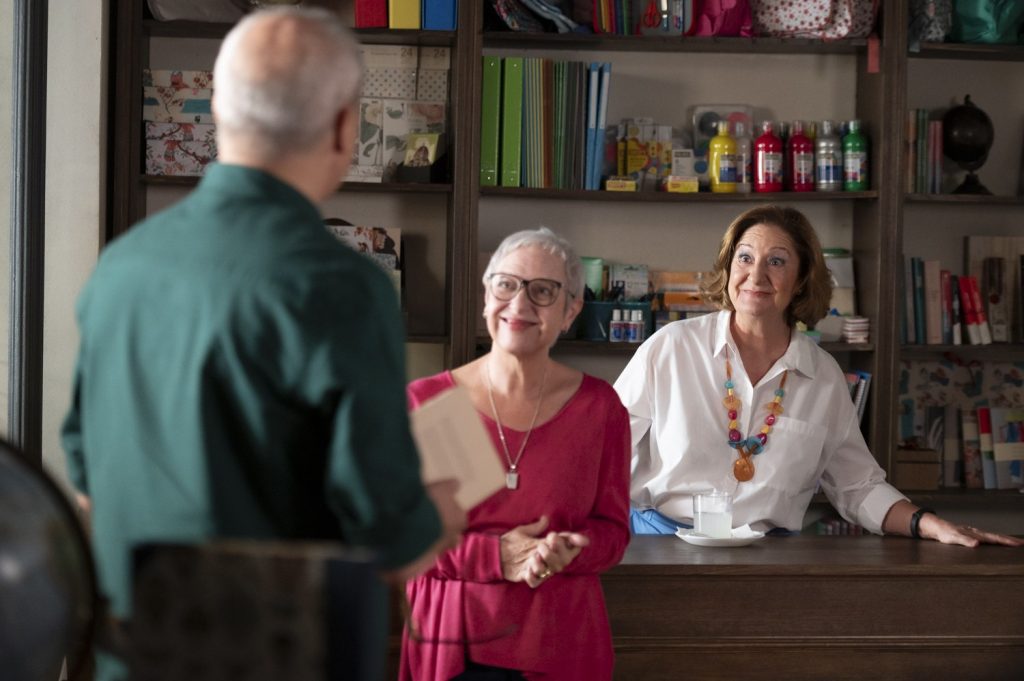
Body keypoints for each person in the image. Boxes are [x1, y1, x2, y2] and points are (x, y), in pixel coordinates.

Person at [61, 8, 465, 680]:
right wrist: (435, 518)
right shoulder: (344, 285)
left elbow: (85, 472)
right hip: (278, 653)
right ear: (344, 126)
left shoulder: (122, 265)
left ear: (218, 109)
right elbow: (386, 533)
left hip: (128, 655)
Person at [614, 205, 1023, 548]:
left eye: (776, 261)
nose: (756, 276)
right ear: (728, 266)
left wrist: (931, 524)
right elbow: (602, 447)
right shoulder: (670, 347)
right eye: (744, 257)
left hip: (768, 559)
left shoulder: (824, 377)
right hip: (662, 546)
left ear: (801, 280)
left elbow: (857, 486)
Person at [401, 228, 631, 681]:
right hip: (454, 646)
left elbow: (613, 533)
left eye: (543, 291)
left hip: (559, 642)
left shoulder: (599, 408)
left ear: (571, 311)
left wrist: (569, 551)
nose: (520, 305)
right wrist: (496, 557)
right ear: (486, 296)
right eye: (506, 285)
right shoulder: (428, 402)